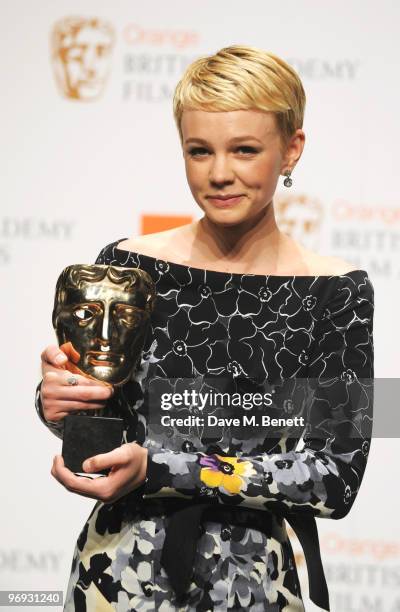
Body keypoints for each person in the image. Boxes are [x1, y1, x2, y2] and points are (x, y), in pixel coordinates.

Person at [36, 45, 374, 611]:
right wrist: (58, 401)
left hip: (251, 585)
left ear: (291, 150)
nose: (220, 173)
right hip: (116, 577)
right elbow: (100, 427)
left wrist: (161, 467)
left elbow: (335, 479)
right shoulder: (129, 266)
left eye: (245, 150)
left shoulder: (339, 291)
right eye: (200, 151)